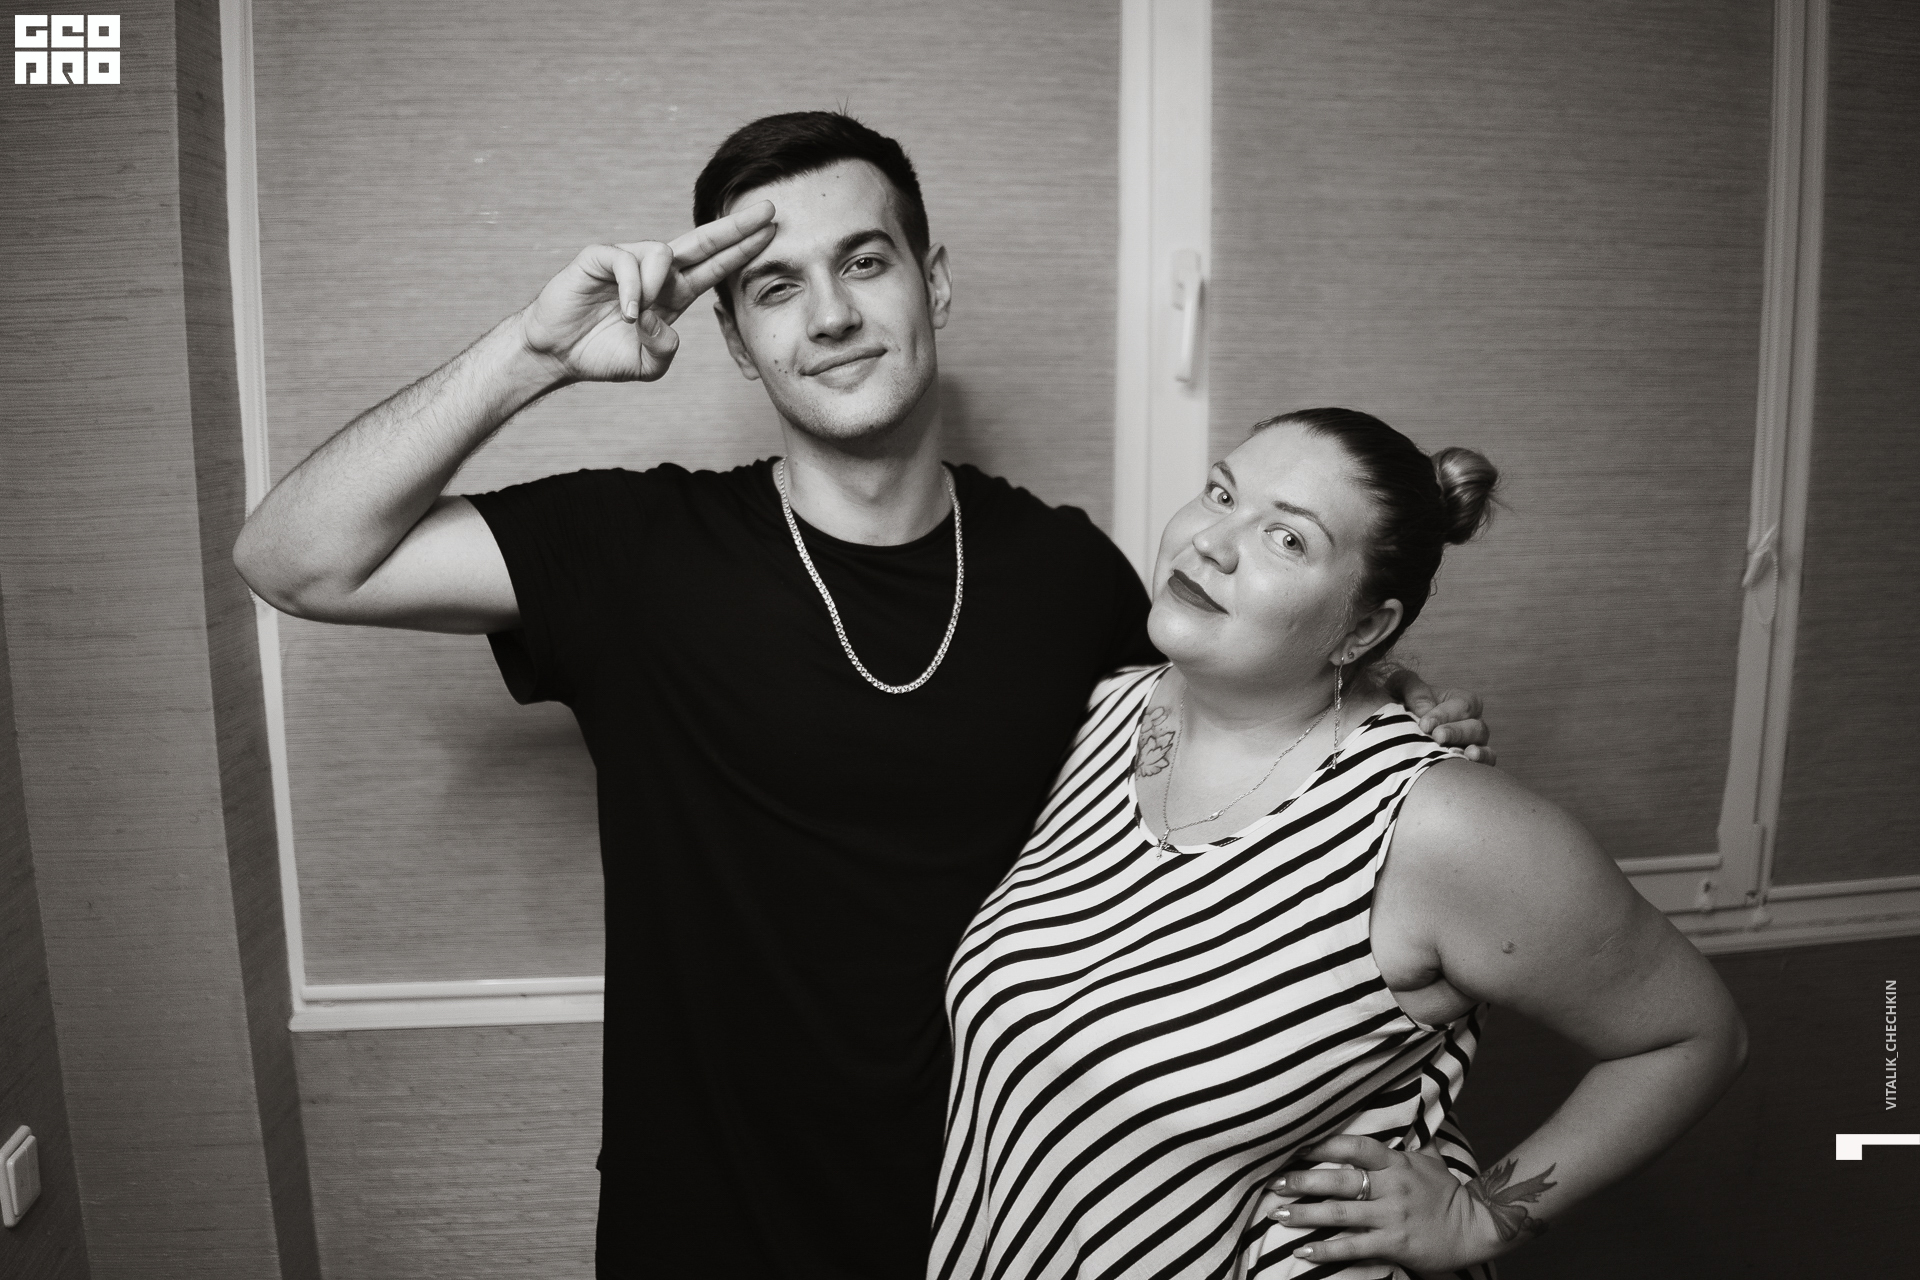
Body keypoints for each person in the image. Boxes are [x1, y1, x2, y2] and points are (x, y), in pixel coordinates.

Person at [232, 115, 1492, 1278]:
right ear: (736, 340)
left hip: (999, 1231)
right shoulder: (637, 551)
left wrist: (1370, 698)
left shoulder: (1067, 572)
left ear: (931, 281)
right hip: (704, 1230)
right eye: (775, 286)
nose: (830, 314)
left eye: (864, 262)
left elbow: (1231, 740)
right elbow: (294, 558)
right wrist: (533, 356)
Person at [932, 409, 1747, 1280]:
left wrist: (1480, 1218)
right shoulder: (1103, 712)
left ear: (1364, 629)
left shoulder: (1436, 823)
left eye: (1288, 538)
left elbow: (1695, 1036)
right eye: (1221, 494)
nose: (1212, 542)